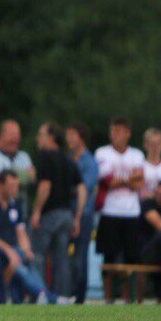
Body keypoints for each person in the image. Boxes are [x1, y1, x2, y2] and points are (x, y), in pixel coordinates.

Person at [30, 122, 85, 302]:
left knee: (38, 255)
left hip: (49, 214)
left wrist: (37, 211)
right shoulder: (69, 160)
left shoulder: (45, 156)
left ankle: (40, 294)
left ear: (51, 137)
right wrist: (77, 217)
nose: (38, 138)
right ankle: (63, 296)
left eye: (41, 134)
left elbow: (45, 185)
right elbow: (82, 189)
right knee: (61, 259)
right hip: (66, 215)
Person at [0, 170, 50, 304]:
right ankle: (44, 296)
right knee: (17, 264)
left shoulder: (15, 204)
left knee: (31, 260)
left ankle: (38, 296)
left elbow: (21, 232)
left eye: (17, 186)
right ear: (0, 185)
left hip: (14, 249)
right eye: (11, 186)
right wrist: (8, 250)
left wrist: (26, 250)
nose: (15, 189)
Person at [94, 117, 145, 302]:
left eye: (118, 131)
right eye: (112, 131)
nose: (114, 135)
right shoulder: (102, 153)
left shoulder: (137, 154)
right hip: (110, 211)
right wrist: (128, 179)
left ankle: (128, 298)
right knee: (109, 257)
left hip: (131, 212)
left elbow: (139, 183)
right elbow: (107, 181)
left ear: (128, 133)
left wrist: (121, 181)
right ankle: (109, 297)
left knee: (131, 257)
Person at [66, 122, 98, 304]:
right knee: (66, 257)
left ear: (81, 137)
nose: (68, 138)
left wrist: (77, 217)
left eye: (72, 134)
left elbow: (83, 189)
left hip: (83, 214)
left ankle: (79, 296)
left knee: (80, 255)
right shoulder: (69, 158)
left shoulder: (89, 162)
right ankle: (66, 292)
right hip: (67, 212)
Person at [0, 120, 35, 210]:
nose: (15, 139)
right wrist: (24, 175)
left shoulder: (24, 156)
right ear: (1, 136)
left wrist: (8, 174)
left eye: (17, 135)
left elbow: (32, 178)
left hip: (21, 210)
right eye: (12, 134)